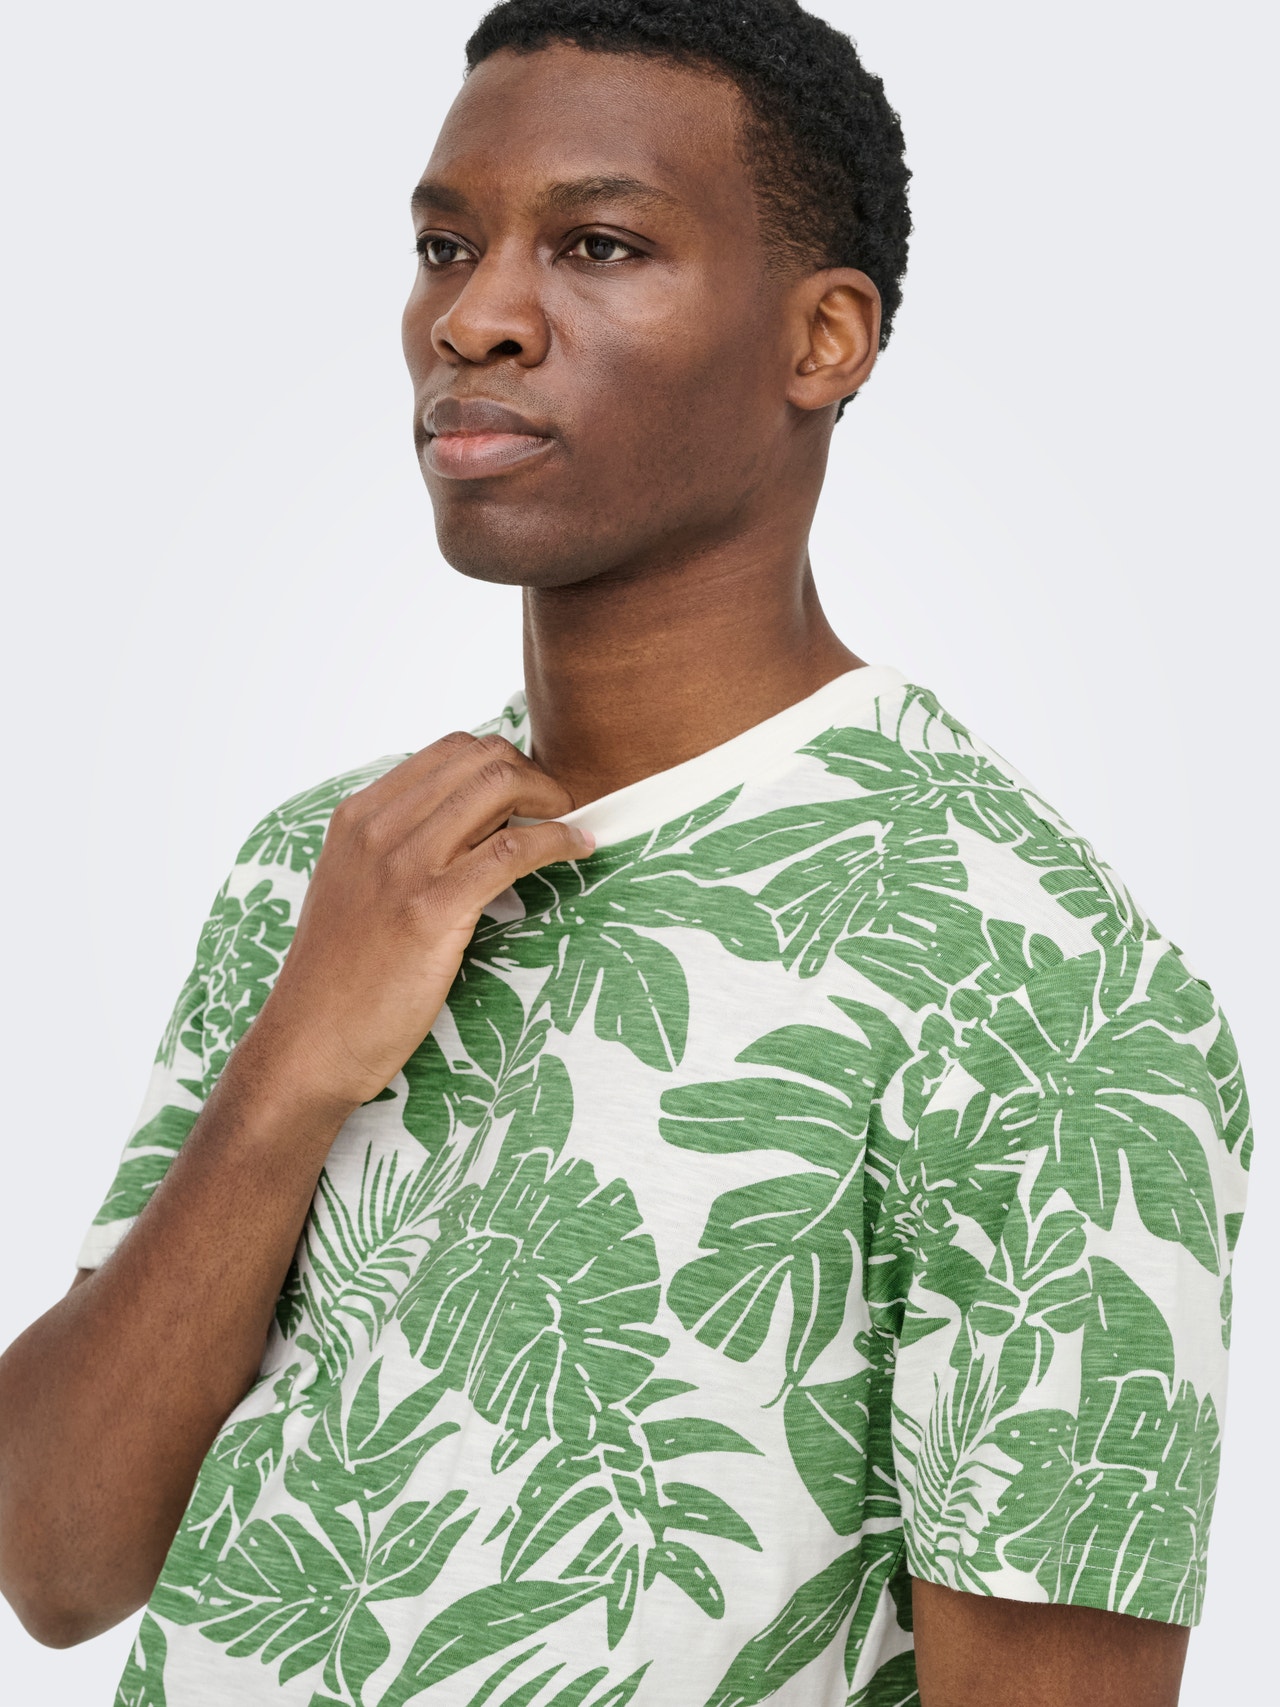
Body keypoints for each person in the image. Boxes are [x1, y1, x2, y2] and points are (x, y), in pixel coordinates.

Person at [0, 2, 1252, 1703]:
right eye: (446, 246)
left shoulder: (1042, 985)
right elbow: (57, 1563)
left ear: (823, 339)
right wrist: (292, 1071)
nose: (476, 319)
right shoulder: (337, 865)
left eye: (597, 246)